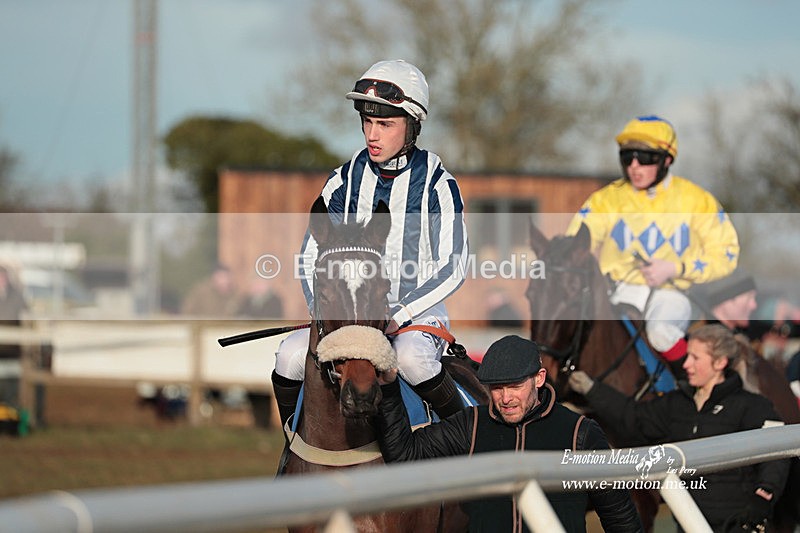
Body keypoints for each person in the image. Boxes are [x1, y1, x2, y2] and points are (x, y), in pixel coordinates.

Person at [272, 59, 470, 427]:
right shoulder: (342, 181)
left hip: (413, 318)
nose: (372, 135)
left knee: (412, 360)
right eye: (367, 122)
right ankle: (292, 442)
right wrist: (322, 314)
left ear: (412, 126)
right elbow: (310, 255)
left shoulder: (437, 184)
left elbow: (454, 264)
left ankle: (472, 439)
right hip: (345, 317)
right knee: (289, 356)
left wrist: (399, 314)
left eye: (385, 124)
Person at [376, 335, 644, 532]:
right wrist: (388, 391)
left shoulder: (581, 433)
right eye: (496, 388)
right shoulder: (470, 425)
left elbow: (620, 517)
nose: (505, 398)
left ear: (539, 379)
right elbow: (404, 456)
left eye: (514, 386)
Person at [569, 324, 790, 532]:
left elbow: (776, 453)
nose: (685, 365)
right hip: (687, 521)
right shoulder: (676, 404)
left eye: (695, 357)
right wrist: (592, 389)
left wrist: (763, 495)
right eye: (687, 356)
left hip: (739, 524)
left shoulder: (753, 405)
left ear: (720, 362)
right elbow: (634, 417)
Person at [566, 115, 740, 370]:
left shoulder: (697, 200)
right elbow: (575, 247)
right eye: (627, 157)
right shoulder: (605, 200)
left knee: (660, 332)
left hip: (672, 294)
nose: (634, 166)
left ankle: (689, 393)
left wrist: (676, 268)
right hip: (616, 292)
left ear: (667, 159)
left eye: (644, 157)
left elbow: (726, 254)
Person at [0, 264, 29, 408]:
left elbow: (26, 316)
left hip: (11, 349)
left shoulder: (17, 296)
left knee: (11, 384)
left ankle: (10, 414)